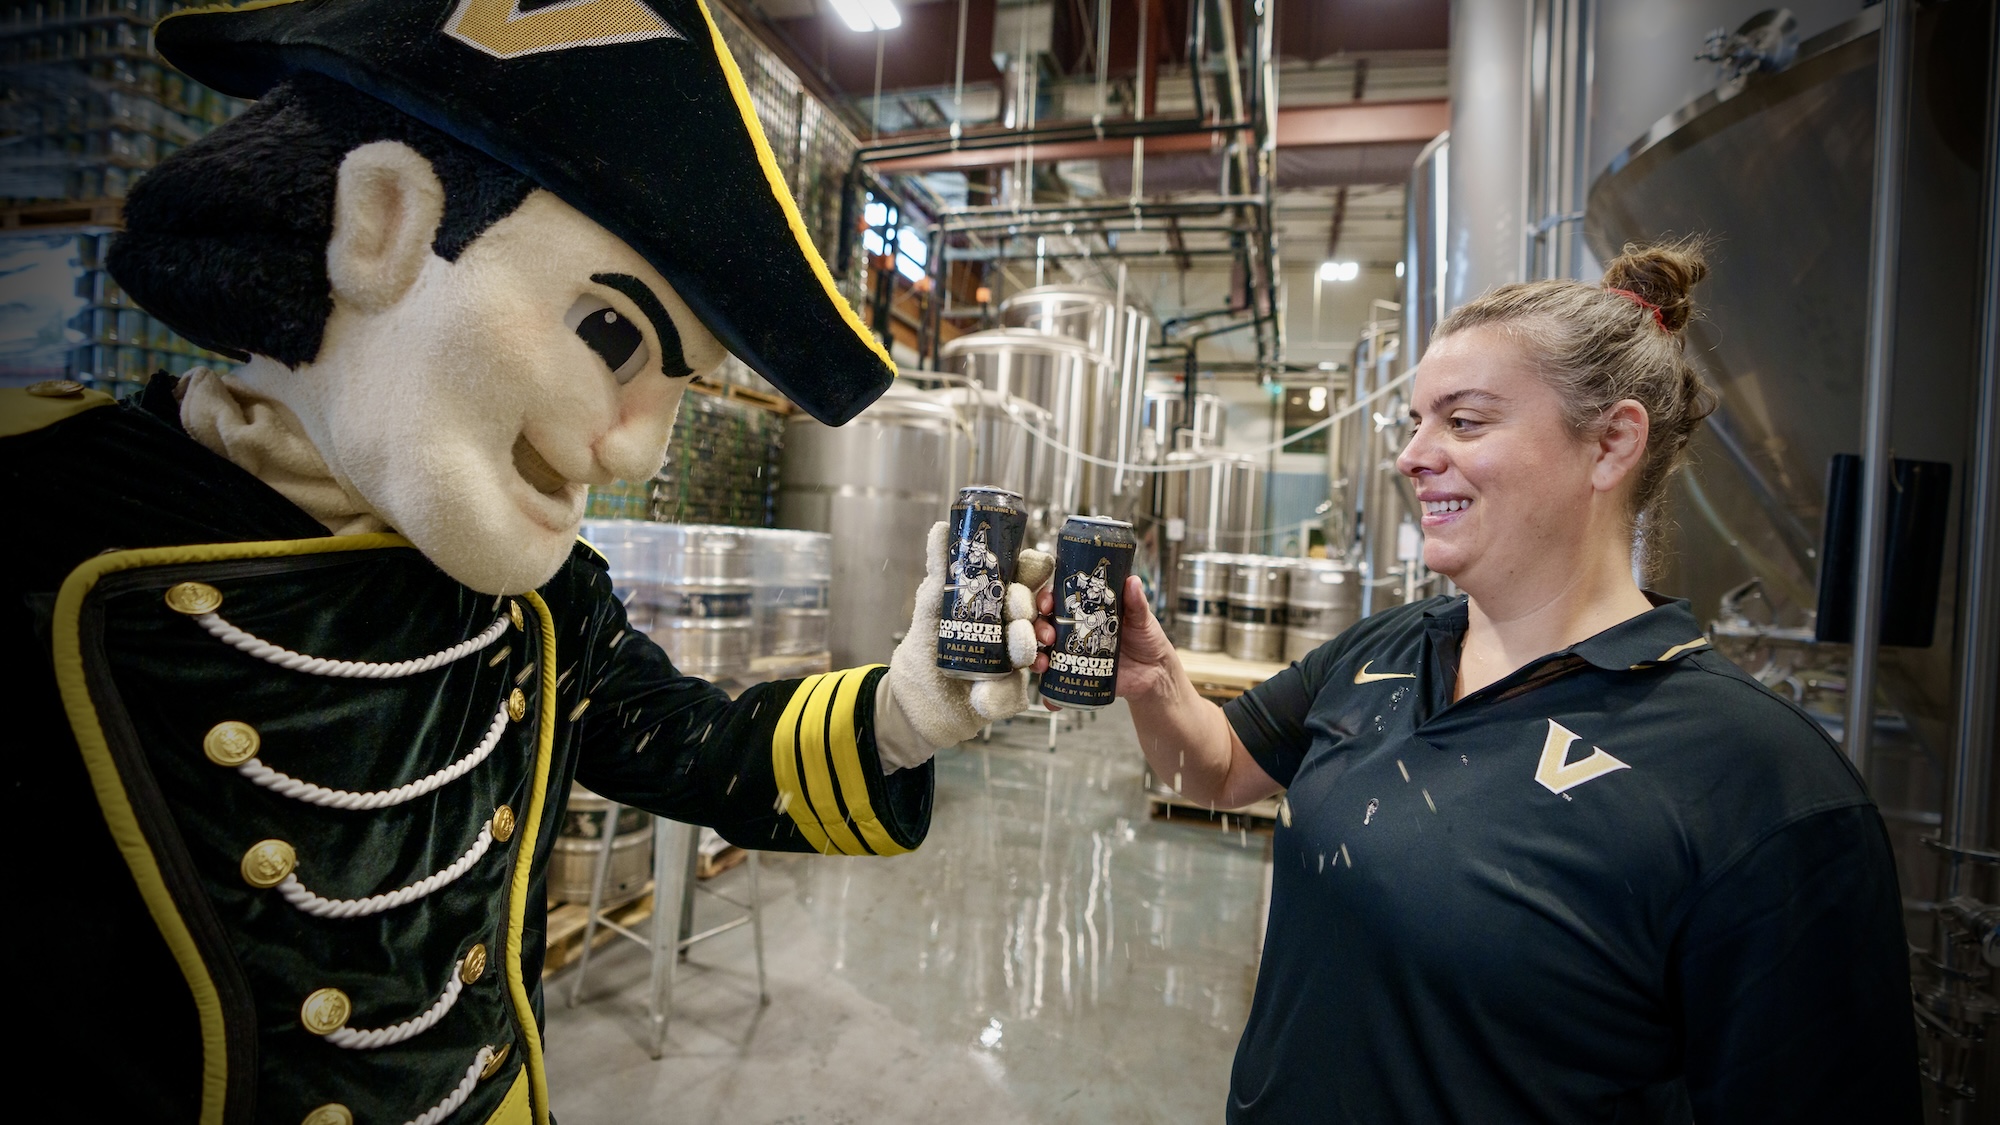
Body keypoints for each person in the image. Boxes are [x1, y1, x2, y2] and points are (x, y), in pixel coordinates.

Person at [3, 2, 1047, 1122]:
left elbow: (687, 746)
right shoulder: (44, 524)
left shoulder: (540, 606)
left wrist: (901, 712)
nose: (640, 457)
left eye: (676, 392)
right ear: (381, 223)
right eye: (610, 338)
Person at [1047, 243, 1920, 1122]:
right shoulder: (1386, 648)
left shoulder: (1761, 787)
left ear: (1612, 442)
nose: (1413, 456)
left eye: (1464, 422)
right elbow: (1215, 770)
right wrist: (1157, 682)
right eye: (1417, 422)